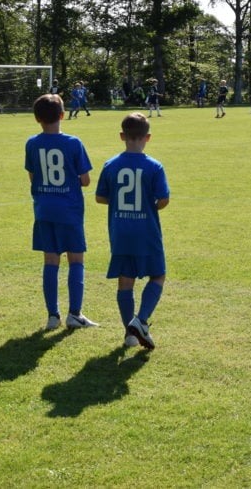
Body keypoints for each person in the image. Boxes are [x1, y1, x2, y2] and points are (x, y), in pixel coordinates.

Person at [96, 113, 170, 350]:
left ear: (122, 136)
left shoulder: (111, 165)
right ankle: (141, 320)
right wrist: (149, 205)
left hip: (120, 231)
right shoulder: (154, 166)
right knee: (158, 275)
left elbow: (100, 197)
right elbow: (163, 199)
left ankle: (129, 335)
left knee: (125, 282)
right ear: (148, 137)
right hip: (146, 231)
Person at [24, 93, 99, 330]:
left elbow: (33, 177)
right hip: (69, 210)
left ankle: (52, 316)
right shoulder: (73, 143)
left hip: (44, 210)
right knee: (76, 259)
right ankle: (74, 314)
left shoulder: (32, 143)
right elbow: (85, 180)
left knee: (50, 260)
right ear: (63, 115)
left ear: (37, 118)